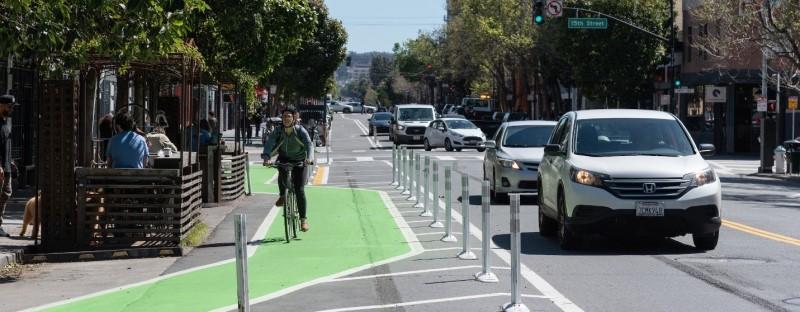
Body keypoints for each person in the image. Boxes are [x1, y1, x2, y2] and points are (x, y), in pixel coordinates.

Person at [262, 108, 313, 232]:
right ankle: (282, 196)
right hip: (284, 158)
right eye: (284, 116)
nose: (286, 119)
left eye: (289, 116)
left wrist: (309, 158)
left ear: (294, 118)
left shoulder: (300, 130)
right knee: (281, 171)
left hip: (300, 160)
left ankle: (303, 220)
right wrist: (267, 157)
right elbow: (270, 143)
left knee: (299, 189)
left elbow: (309, 144)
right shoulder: (278, 131)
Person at [0, 95, 18, 237]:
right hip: (0, 168)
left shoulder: (5, 123)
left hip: (6, 167)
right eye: (9, 106)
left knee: (6, 194)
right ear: (1, 105)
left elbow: (5, 146)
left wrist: (10, 162)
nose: (11, 109)